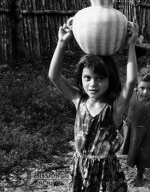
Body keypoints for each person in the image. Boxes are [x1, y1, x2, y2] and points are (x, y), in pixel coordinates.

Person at [48, 22, 138, 191]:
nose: (93, 84)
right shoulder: (78, 100)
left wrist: (131, 45)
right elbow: (54, 75)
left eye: (100, 78)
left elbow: (132, 81)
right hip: (80, 169)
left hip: (106, 173)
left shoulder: (114, 108)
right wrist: (62, 43)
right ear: (80, 78)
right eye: (87, 78)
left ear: (110, 79)